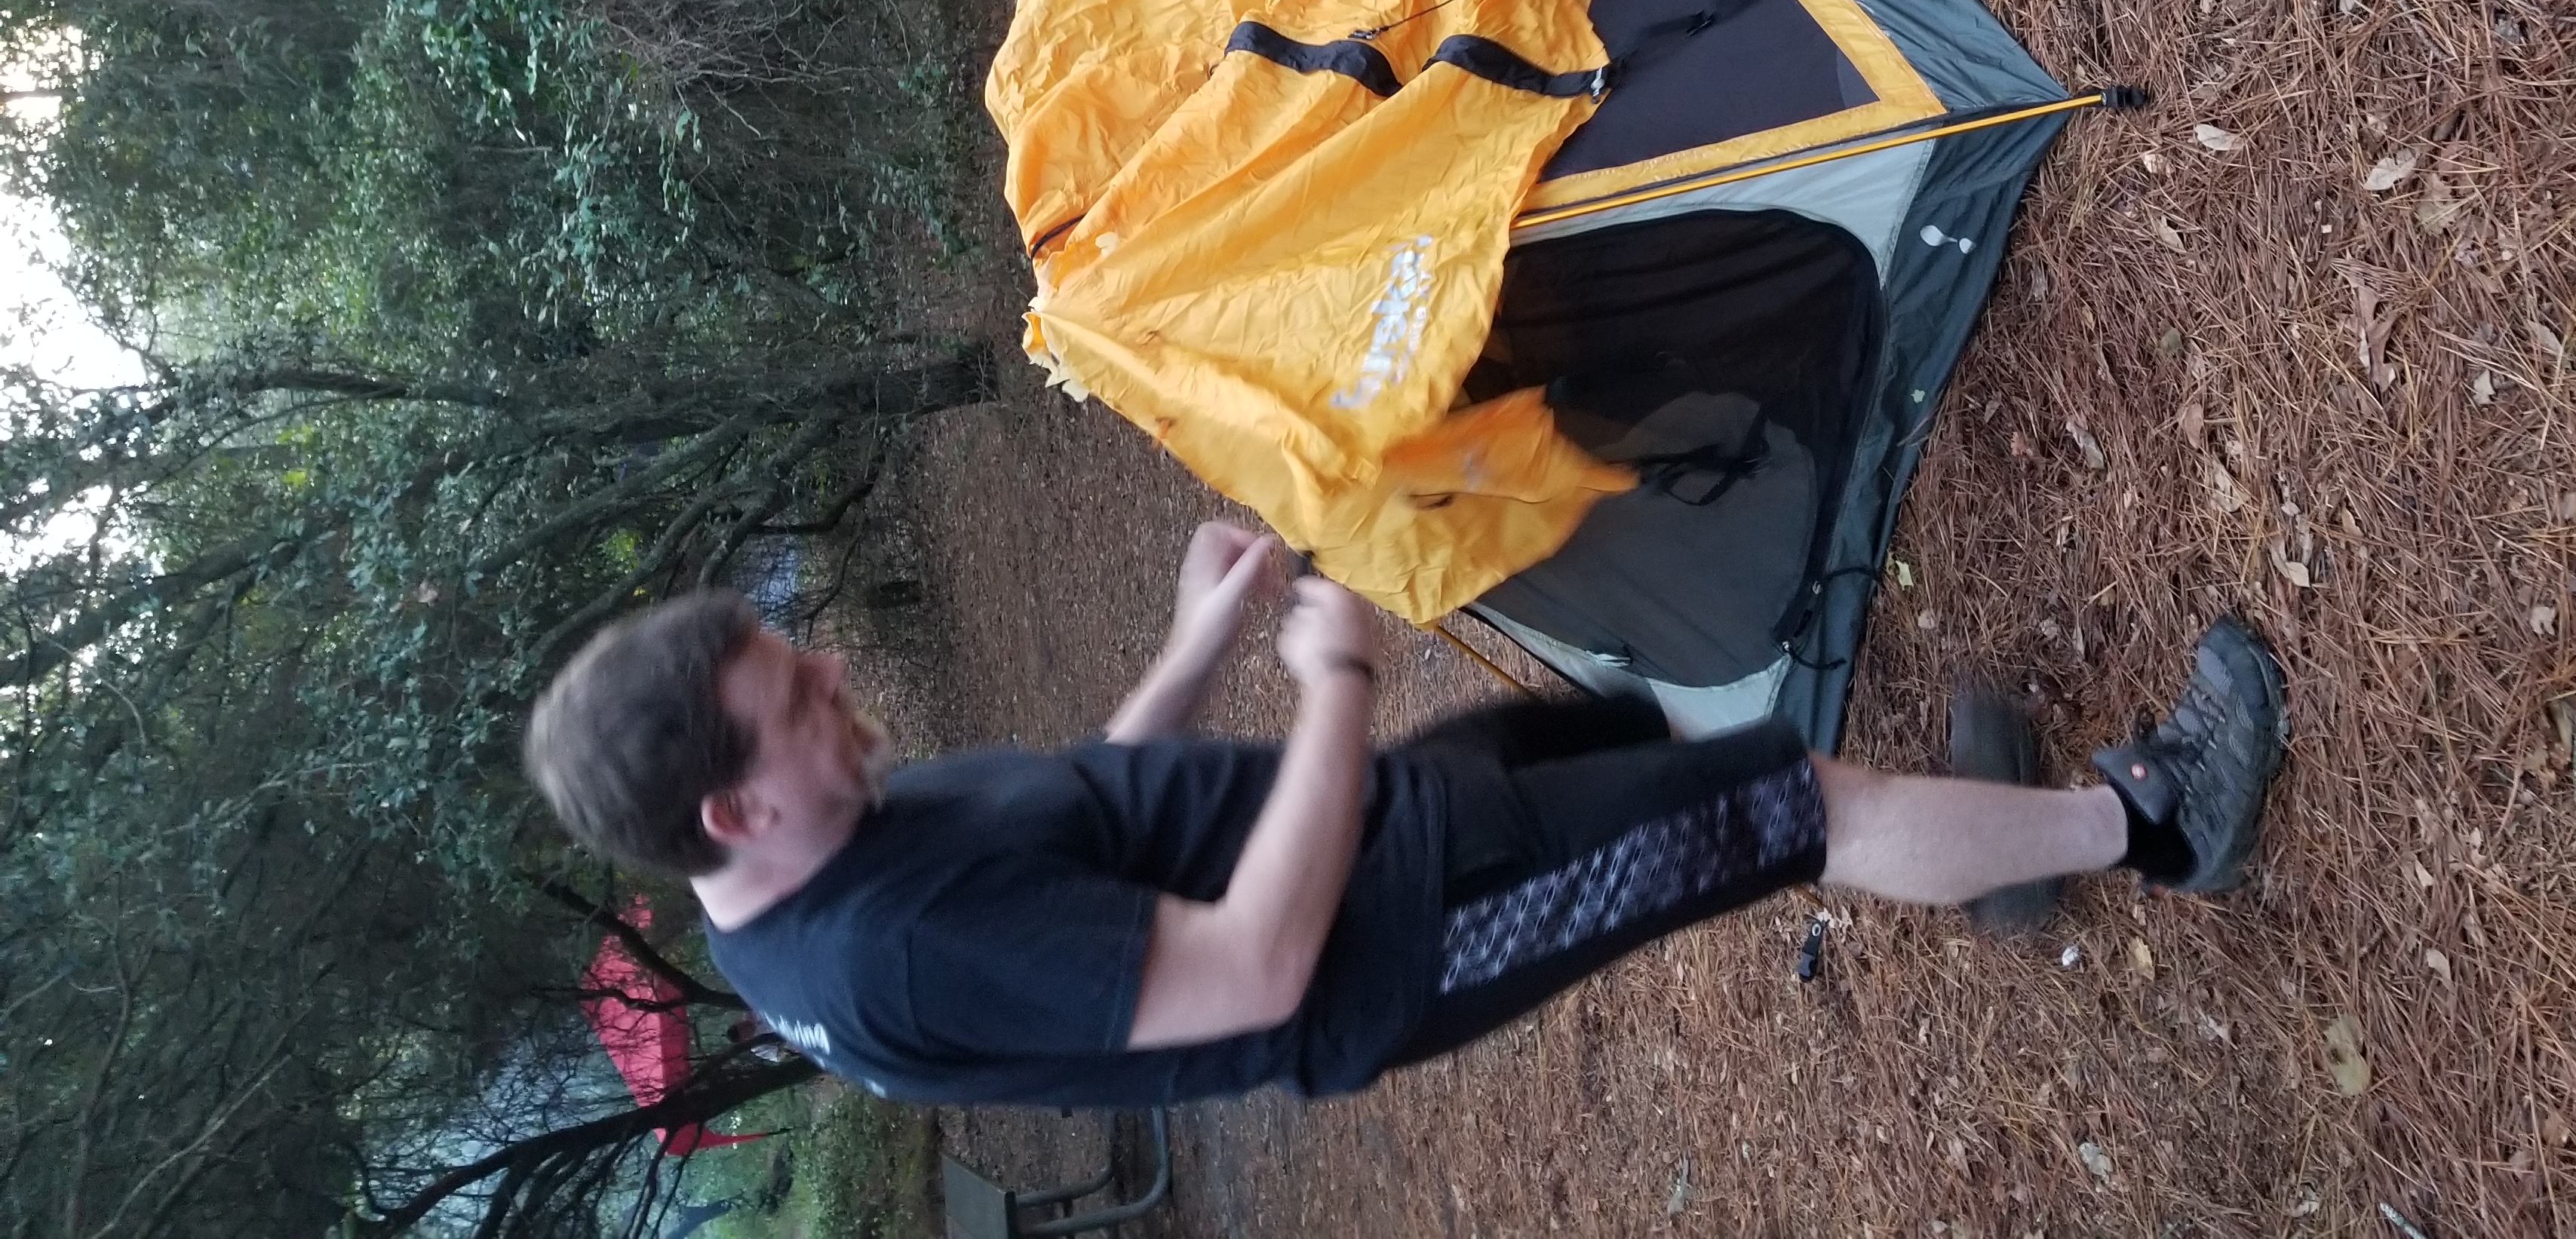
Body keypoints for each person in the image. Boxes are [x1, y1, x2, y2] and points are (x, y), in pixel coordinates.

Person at [523, 523, 2286, 1108]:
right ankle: (2150, 825)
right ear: (736, 806)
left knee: (1640, 739)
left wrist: (1201, 644)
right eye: (796, 697)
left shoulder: (821, 848)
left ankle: (1989, 853)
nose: (833, 676)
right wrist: (1335, 685)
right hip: (1400, 928)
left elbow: (1069, 822)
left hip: (1368, 818)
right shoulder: (892, 956)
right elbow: (1249, 970)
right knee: (1786, 810)